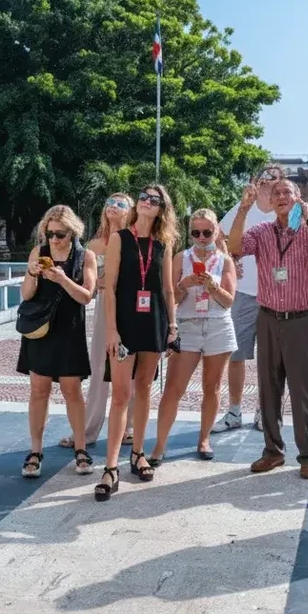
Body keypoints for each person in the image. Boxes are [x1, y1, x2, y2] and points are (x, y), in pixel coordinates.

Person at [227, 178, 308, 479]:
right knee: (268, 388)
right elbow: (234, 247)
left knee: (304, 390)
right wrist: (243, 208)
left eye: (287, 192)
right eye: (275, 193)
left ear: (298, 197)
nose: (280, 197)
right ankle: (273, 452)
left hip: (302, 319)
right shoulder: (261, 232)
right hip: (269, 317)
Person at [96, 185, 179, 500]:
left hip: (154, 321)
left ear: (161, 209)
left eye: (154, 200)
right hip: (126, 324)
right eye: (143, 197)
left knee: (144, 388)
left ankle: (138, 453)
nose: (146, 202)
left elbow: (168, 289)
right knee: (119, 395)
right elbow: (111, 288)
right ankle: (111, 466)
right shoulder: (120, 239)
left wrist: (172, 326)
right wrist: (111, 330)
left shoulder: (163, 243)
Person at [149, 209, 238, 464]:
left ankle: (204, 439)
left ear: (216, 232)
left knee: (212, 387)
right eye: (196, 232)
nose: (201, 237)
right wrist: (183, 285)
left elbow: (228, 301)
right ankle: (160, 446)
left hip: (218, 325)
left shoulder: (225, 261)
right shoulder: (181, 257)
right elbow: (171, 300)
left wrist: (213, 286)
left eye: (207, 232)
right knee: (173, 388)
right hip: (187, 324)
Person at [17, 205, 99, 478]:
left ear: (72, 231)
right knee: (38, 389)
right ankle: (35, 450)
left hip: (69, 329)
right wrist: (31, 273)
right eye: (49, 234)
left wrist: (62, 279)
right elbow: (27, 296)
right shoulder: (38, 253)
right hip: (41, 329)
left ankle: (81, 448)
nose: (53, 239)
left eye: (60, 234)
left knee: (71, 390)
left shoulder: (85, 256)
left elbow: (87, 296)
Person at [59, 194, 136, 450]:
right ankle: (88, 431)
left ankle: (129, 428)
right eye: (110, 202)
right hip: (105, 307)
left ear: (130, 211)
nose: (113, 206)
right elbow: (87, 285)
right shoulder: (93, 245)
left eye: (120, 204)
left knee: (133, 369)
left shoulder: (135, 241)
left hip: (133, 308)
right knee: (99, 369)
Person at [215, 164, 285, 433]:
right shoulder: (244, 206)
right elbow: (221, 235)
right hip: (244, 291)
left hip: (275, 293)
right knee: (237, 353)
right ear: (256, 179)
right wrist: (231, 259)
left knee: (271, 358)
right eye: (265, 175)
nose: (269, 179)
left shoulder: (285, 208)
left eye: (275, 176)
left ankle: (263, 411)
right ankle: (234, 411)